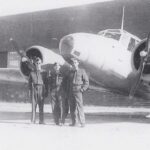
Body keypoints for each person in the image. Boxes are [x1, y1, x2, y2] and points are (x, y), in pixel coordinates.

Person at [67, 58, 89, 127]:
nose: (74, 64)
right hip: (71, 91)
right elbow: (68, 82)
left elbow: (86, 82)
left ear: (78, 63)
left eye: (75, 62)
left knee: (80, 106)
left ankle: (82, 122)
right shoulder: (70, 72)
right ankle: (74, 122)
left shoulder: (82, 71)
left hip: (78, 90)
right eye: (73, 63)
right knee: (72, 107)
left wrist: (82, 89)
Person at [29, 57, 48, 124]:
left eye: (39, 63)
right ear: (35, 64)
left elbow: (46, 83)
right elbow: (29, 84)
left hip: (41, 89)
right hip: (34, 88)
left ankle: (41, 120)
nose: (38, 64)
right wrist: (30, 92)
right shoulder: (32, 73)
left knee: (41, 105)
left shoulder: (44, 73)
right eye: (37, 63)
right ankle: (33, 120)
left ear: (41, 63)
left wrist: (46, 92)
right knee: (33, 105)